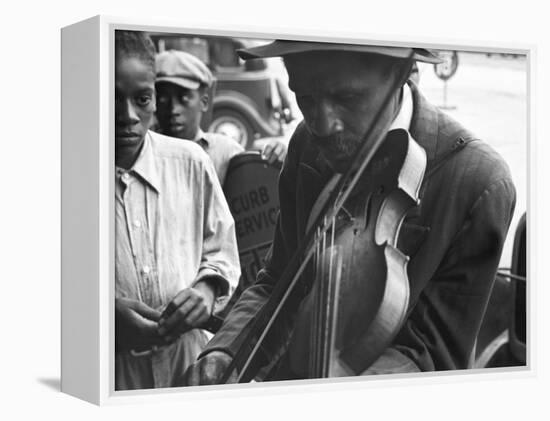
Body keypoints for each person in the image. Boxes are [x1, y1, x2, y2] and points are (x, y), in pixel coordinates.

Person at [182, 40, 516, 384]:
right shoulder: (305, 144)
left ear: (401, 74)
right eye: (305, 98)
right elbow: (278, 280)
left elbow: (432, 357)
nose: (322, 125)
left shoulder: (478, 182)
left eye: (347, 99)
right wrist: (224, 351)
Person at [114, 30, 240, 390]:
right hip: (112, 376)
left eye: (142, 99)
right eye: (110, 99)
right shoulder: (65, 174)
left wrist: (206, 290)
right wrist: (103, 318)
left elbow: (222, 252)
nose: (128, 116)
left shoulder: (191, 162)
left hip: (189, 369)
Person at [154, 49, 287, 185]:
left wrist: (277, 160)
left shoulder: (225, 152)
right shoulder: (146, 155)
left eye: (184, 98)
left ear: (204, 102)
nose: (173, 109)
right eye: (162, 99)